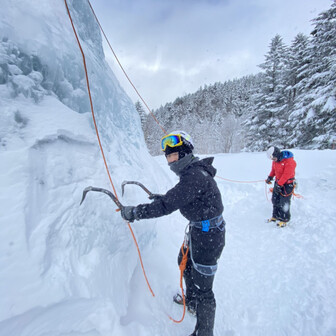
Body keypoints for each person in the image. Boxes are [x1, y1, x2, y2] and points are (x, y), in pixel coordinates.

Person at [120, 131, 225, 336]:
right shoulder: (192, 172)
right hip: (199, 231)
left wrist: (135, 212)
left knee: (205, 288)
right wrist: (163, 198)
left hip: (208, 235)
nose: (170, 160)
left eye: (173, 155)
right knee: (183, 262)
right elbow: (180, 197)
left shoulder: (193, 176)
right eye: (167, 156)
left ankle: (204, 332)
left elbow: (167, 205)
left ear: (185, 152)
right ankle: (192, 300)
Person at [265, 146, 297, 227]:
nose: (273, 160)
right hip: (278, 182)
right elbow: (273, 170)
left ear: (277, 154)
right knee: (275, 200)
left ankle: (284, 219)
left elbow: (287, 175)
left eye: (273, 158)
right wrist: (270, 177)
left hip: (287, 184)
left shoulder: (289, 162)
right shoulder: (275, 161)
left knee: (284, 202)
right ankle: (275, 216)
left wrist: (280, 184)